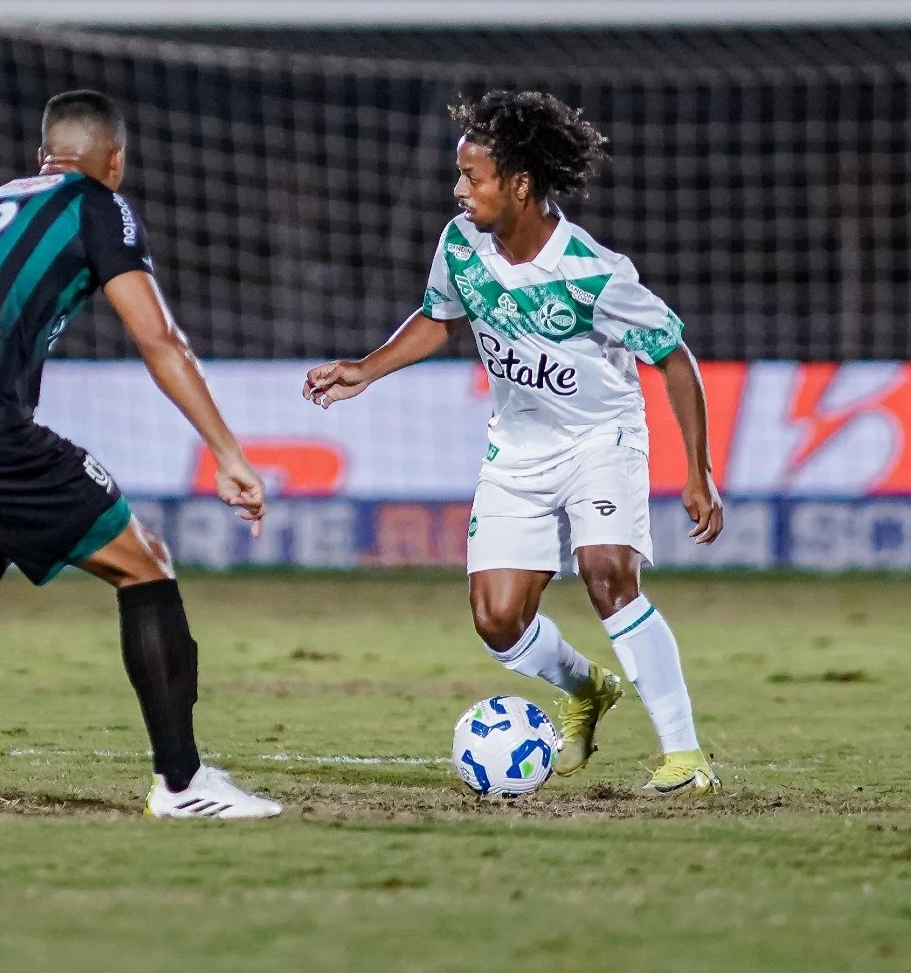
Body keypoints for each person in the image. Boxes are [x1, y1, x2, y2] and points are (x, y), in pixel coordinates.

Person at [0, 89, 280, 820]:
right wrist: (227, 452)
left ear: (45, 151)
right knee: (145, 564)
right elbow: (159, 339)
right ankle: (182, 784)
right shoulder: (97, 204)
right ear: (116, 161)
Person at [304, 90, 725, 794]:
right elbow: (441, 318)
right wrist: (366, 370)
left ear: (520, 186)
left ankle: (684, 756)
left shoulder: (594, 273)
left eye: (474, 177)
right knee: (498, 621)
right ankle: (586, 688)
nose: (459, 190)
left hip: (601, 439)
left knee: (608, 576)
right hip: (517, 450)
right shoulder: (460, 242)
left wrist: (698, 471)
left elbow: (674, 359)